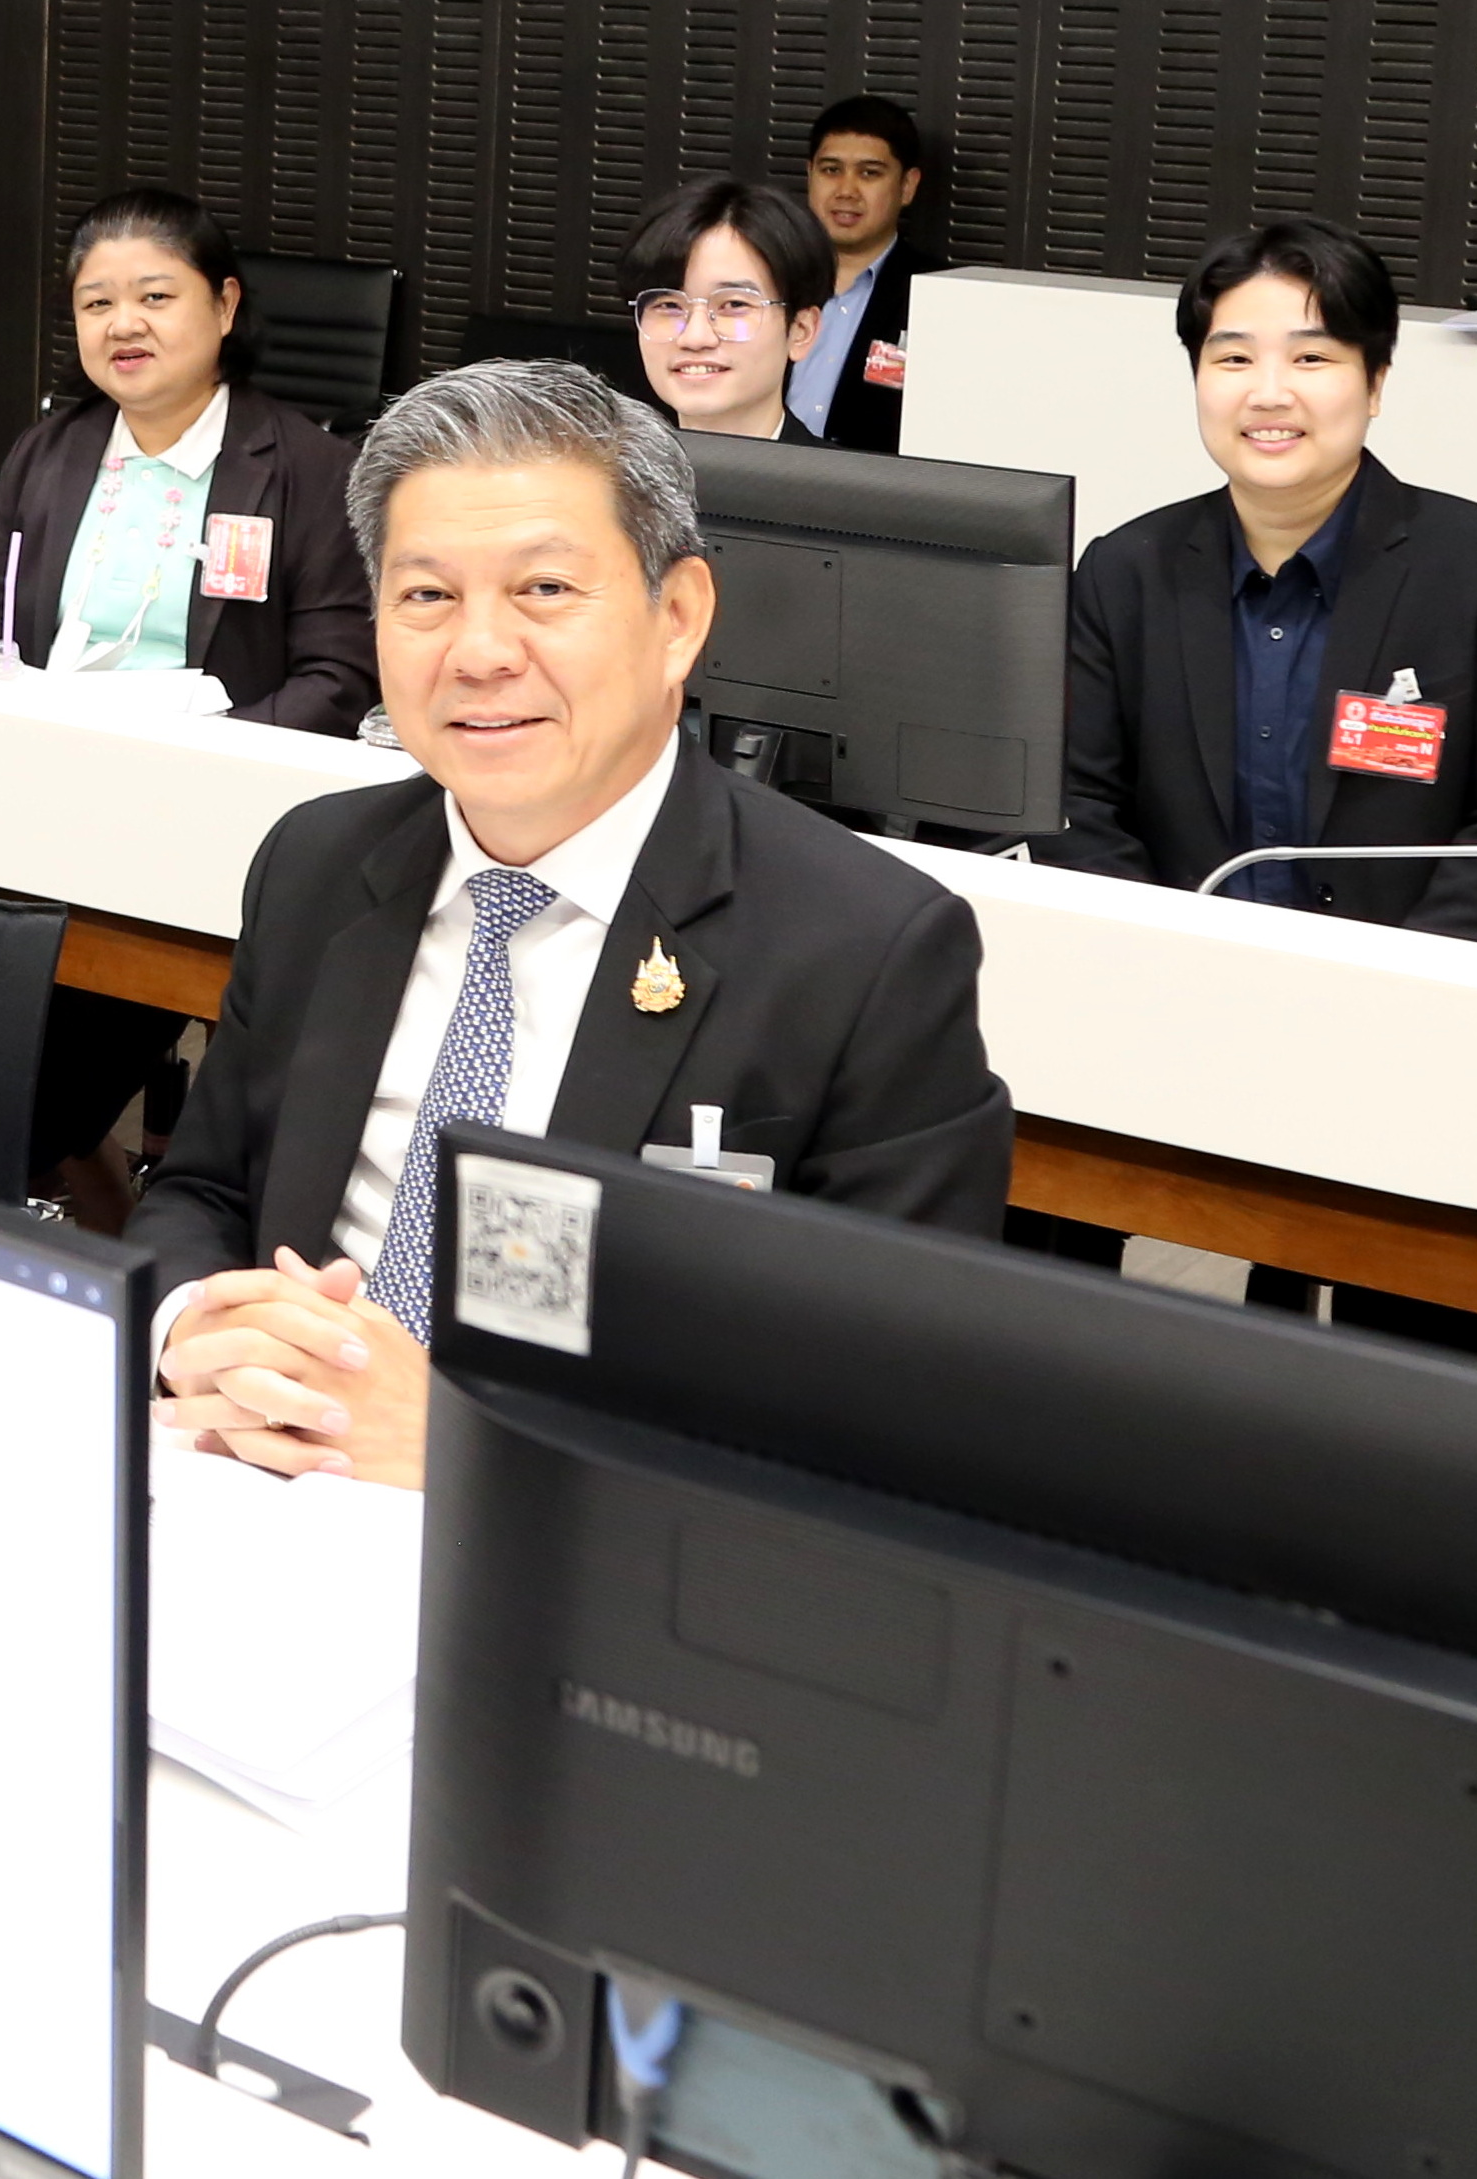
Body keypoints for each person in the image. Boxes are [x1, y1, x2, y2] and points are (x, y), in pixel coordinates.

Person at [136, 358, 1012, 1488]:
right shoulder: (319, 864)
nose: (480, 652)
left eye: (544, 588)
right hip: (258, 1478)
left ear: (678, 616)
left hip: (596, 1539)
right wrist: (194, 1324)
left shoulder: (866, 950)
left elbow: (896, 1408)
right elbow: (201, 1191)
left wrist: (472, 1446)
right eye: (426, 596)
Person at [1036, 217, 1477, 1356]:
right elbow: (1073, 807)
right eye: (1233, 357)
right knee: (1029, 1250)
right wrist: (1170, 974)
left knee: (1412, 1361)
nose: (1269, 392)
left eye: (1311, 356)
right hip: (1173, 1018)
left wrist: (1374, 1008)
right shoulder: (1126, 570)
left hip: (1417, 1039)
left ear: (1376, 382)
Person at [0, 187, 373, 735]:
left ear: (225, 305)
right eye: (98, 304)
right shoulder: (45, 451)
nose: (124, 325)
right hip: (46, 746)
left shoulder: (317, 471)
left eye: (155, 297)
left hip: (219, 761)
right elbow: (0, 623)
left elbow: (337, 681)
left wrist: (204, 754)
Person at [623, 178, 836, 442]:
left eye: (734, 305)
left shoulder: (840, 471)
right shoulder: (611, 468)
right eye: (669, 305)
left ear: (801, 331)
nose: (695, 338)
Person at [792, 95, 928, 453]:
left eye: (869, 173)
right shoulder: (771, 276)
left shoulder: (937, 296)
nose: (846, 191)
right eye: (831, 170)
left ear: (907, 185)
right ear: (810, 175)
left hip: (877, 484)